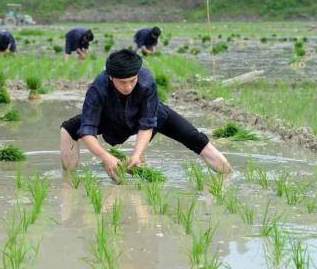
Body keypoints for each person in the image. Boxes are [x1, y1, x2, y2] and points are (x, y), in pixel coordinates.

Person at [60, 49, 231, 181]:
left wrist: (136, 153)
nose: (128, 87)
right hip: (108, 116)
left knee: (194, 137)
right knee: (69, 128)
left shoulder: (147, 82)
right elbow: (87, 131)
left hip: (150, 114)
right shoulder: (98, 89)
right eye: (122, 82)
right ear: (111, 77)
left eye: (132, 81)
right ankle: (68, 181)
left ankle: (227, 174)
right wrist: (105, 157)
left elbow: (147, 123)